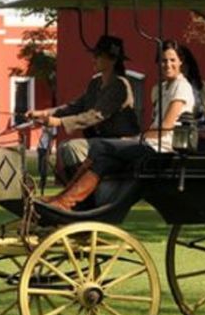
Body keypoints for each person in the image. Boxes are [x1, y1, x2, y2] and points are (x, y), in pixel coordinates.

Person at [39, 40, 196, 211]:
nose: (168, 64)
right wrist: (47, 113)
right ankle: (67, 200)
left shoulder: (181, 87)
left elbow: (165, 127)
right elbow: (76, 105)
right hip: (148, 144)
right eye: (164, 60)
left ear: (181, 61)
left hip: (161, 150)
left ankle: (66, 202)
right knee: (103, 159)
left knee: (101, 146)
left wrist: (136, 138)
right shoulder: (163, 87)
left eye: (172, 60)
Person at [26, 35, 140, 179]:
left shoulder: (120, 85)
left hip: (120, 142)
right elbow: (75, 106)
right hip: (101, 141)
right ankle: (77, 191)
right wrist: (43, 113)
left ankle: (84, 193)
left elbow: (96, 115)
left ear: (112, 60)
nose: (94, 59)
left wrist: (59, 122)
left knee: (71, 147)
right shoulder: (96, 83)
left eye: (98, 55)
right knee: (63, 147)